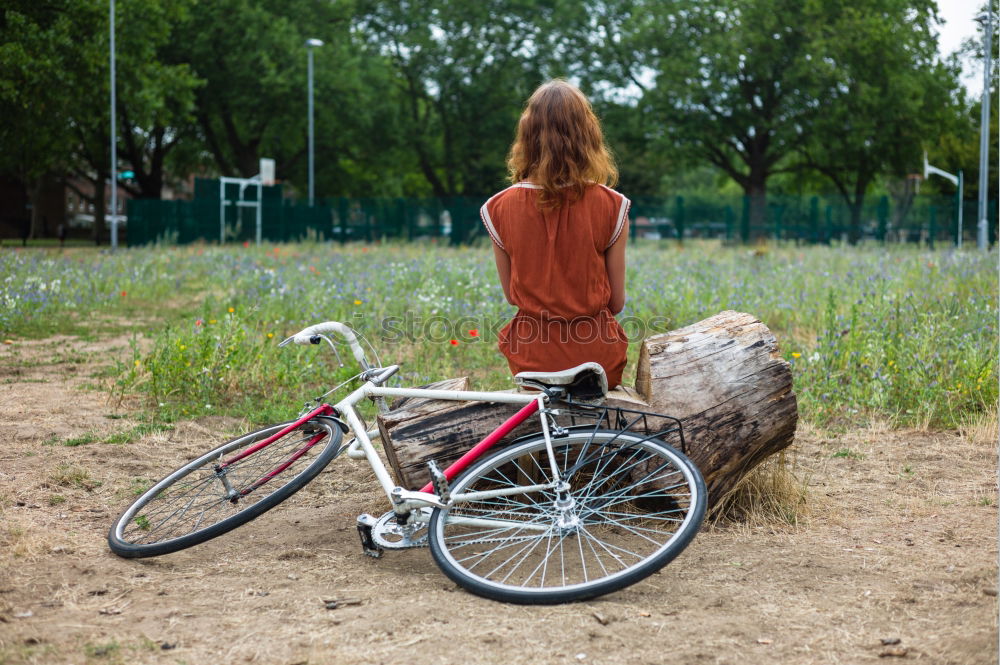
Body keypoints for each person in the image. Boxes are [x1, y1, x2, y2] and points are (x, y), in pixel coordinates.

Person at [480, 79, 630, 389]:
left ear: (527, 134)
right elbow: (615, 303)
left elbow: (512, 295)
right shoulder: (614, 205)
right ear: (588, 134)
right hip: (597, 362)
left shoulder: (496, 207)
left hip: (533, 361)